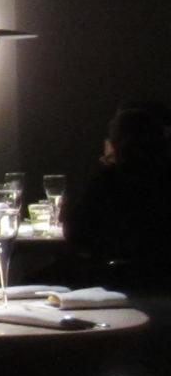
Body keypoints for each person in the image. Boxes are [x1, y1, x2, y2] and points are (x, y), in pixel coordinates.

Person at [61, 106, 171, 264]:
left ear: (119, 143)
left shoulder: (107, 181)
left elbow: (76, 233)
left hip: (113, 275)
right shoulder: (163, 179)